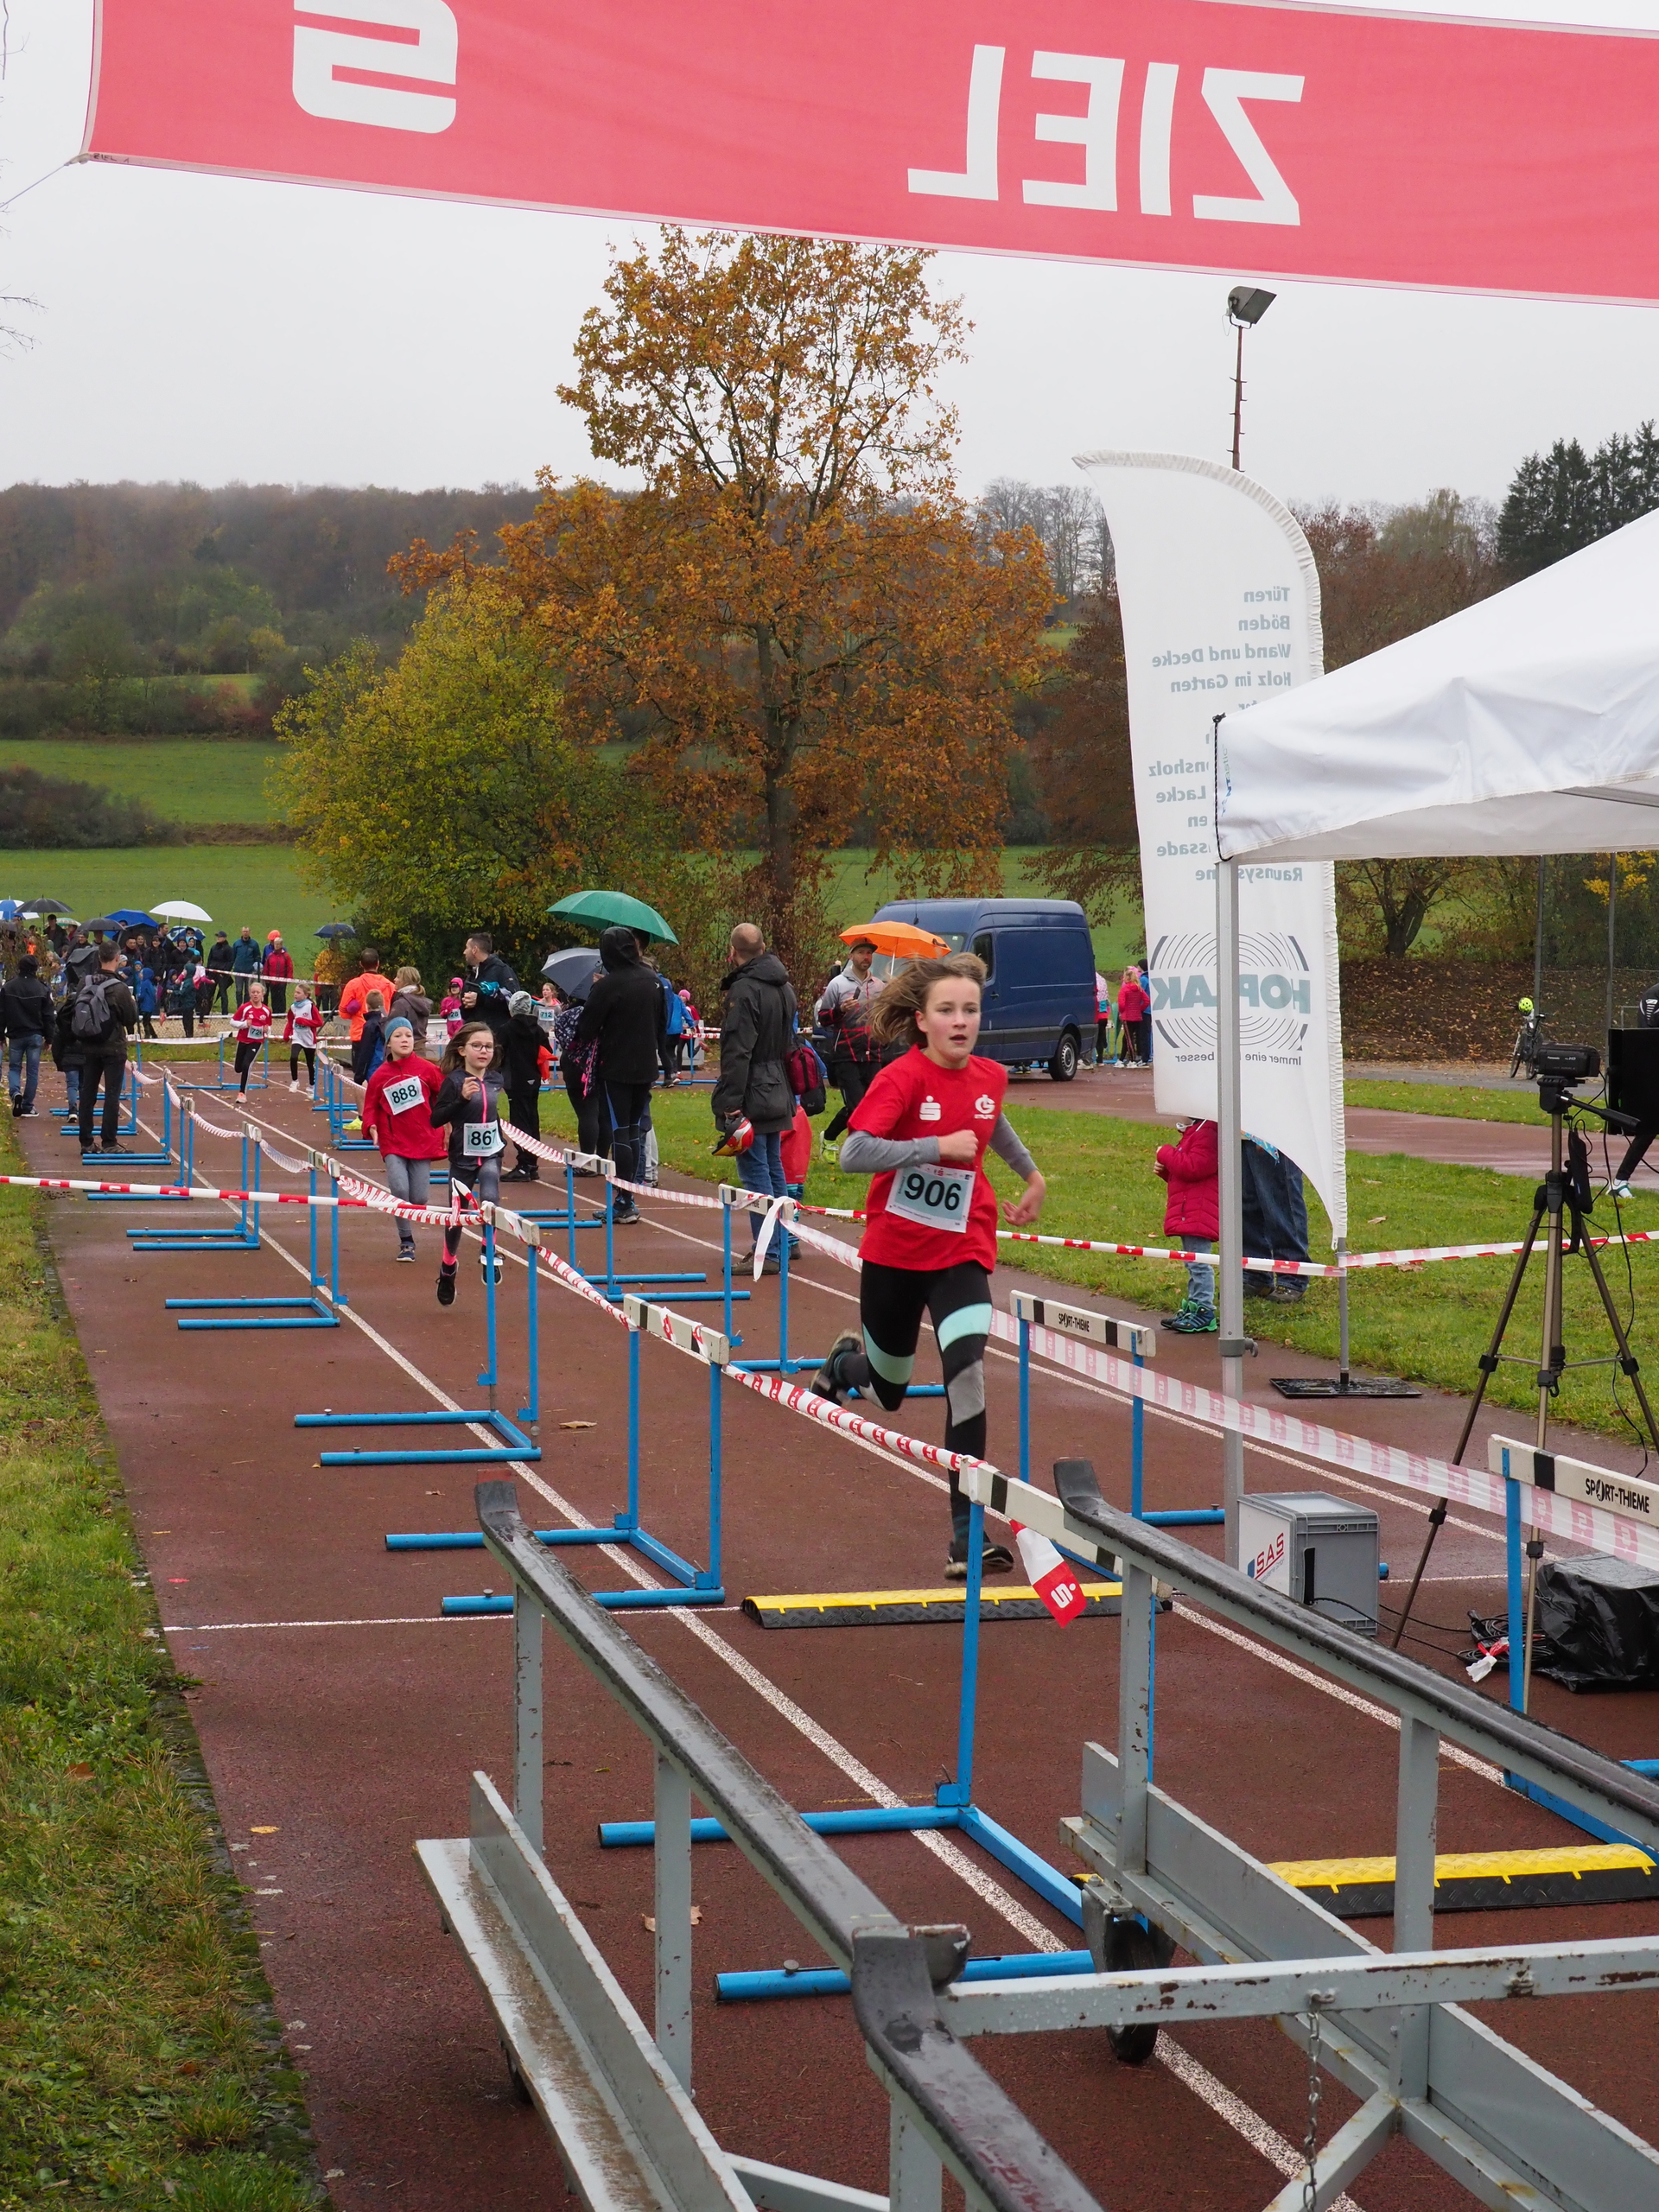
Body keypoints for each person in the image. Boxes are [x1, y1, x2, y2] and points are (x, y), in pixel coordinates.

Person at [810, 953, 1047, 1579]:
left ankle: (967, 1535)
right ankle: (843, 1364)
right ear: (922, 1020)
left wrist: (1030, 1175)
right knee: (887, 1392)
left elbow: (991, 1122)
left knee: (967, 1374)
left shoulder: (990, 1076)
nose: (961, 1021)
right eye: (947, 1010)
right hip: (895, 1253)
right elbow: (854, 1153)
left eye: (970, 1010)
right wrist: (932, 1147)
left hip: (961, 1248)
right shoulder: (902, 1079)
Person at [712, 923, 799, 1266]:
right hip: (779, 1084)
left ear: (732, 952)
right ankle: (784, 1240)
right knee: (773, 1166)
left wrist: (730, 1103)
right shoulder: (785, 987)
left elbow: (738, 1051)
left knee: (755, 1172)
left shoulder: (745, 990)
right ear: (763, 947)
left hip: (753, 1088)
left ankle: (770, 1249)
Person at [573, 928, 665, 1223]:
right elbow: (662, 1024)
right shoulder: (654, 980)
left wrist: (596, 996)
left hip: (616, 1067)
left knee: (620, 1131)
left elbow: (585, 1028)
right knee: (634, 1129)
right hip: (646, 1065)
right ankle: (628, 1196)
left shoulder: (608, 986)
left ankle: (625, 1200)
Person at [429, 1020, 507, 1305]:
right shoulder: (454, 1081)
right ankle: (448, 1266)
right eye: (477, 1046)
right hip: (462, 1159)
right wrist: (461, 1100)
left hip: (490, 1154)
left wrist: (498, 1135)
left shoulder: (496, 1080)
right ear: (462, 1050)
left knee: (490, 1197)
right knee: (457, 1217)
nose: (484, 1051)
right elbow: (436, 1119)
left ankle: (489, 1251)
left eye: (488, 1047)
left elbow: (490, 1113)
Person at [360, 1014, 447, 1262]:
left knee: (419, 1199)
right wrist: (371, 1127)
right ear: (389, 1042)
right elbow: (370, 1107)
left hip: (421, 1139)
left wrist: (449, 1120)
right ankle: (406, 1241)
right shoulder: (380, 1075)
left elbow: (446, 1096)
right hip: (392, 1141)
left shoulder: (427, 1070)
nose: (405, 1039)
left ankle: (409, 1227)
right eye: (398, 1036)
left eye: (408, 1035)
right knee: (399, 1189)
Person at [817, 938, 882, 1154]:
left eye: (869, 953)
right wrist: (840, 1010)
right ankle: (855, 1148)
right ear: (851, 956)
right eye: (861, 952)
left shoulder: (879, 986)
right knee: (857, 1107)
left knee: (873, 1105)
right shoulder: (837, 984)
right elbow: (822, 1019)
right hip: (846, 1054)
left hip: (872, 1054)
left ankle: (831, 1136)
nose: (866, 957)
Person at [73, 943, 138, 1154]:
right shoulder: (119, 988)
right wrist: (131, 1003)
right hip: (113, 1047)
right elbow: (130, 1019)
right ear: (117, 958)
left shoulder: (85, 982)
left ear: (99, 957)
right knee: (112, 1094)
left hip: (89, 1044)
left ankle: (86, 1142)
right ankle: (109, 1142)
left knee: (87, 1093)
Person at [1155, 1119, 1218, 1333]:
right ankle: (1194, 1305)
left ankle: (1205, 1310)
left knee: (1199, 1263)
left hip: (1198, 1211)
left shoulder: (1208, 1131)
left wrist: (1165, 1153)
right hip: (1189, 1209)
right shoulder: (1196, 1131)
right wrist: (1166, 1171)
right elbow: (1184, 1174)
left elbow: (1194, 1167)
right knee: (1192, 1263)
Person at [1243, 1138, 1310, 1306]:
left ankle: (1292, 1277)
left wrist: (1268, 1134)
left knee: (1281, 1202)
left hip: (1272, 1135)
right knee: (1246, 1203)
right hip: (1239, 1132)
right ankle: (1255, 1274)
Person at [550, 978, 611, 1162]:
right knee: (603, 1114)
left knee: (587, 1114)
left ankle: (587, 1160)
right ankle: (601, 1158)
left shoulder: (571, 1013)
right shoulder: (608, 1013)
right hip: (602, 1064)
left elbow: (563, 1037)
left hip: (576, 1066)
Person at [499, 991, 550, 1182]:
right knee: (532, 1119)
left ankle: (524, 1165)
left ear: (511, 1008)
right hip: (533, 1079)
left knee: (519, 1122)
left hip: (515, 1080)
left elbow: (498, 1053)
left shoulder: (506, 1030)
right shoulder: (537, 1029)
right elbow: (547, 1051)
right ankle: (532, 1163)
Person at [2, 954, 51, 1116]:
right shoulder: (42, 988)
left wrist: (1, 1035)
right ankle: (28, 1105)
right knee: (32, 1071)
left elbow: (1, 1013)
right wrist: (49, 1038)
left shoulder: (8, 987)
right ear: (35, 969)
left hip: (16, 1033)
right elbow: (48, 1016)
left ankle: (15, 1092)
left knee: (14, 1067)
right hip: (35, 1034)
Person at [461, 931, 518, 1046]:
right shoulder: (471, 974)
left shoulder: (501, 970)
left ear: (475, 950)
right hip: (474, 1038)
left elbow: (513, 999)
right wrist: (465, 1004)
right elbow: (466, 1010)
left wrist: (480, 999)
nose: (464, 952)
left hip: (496, 1040)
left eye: (467, 948)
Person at [339, 948, 397, 1052]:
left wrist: (354, 1012)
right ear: (378, 963)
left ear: (360, 964)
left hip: (360, 1034)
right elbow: (395, 1011)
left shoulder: (353, 985)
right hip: (383, 1033)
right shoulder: (390, 986)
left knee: (361, 1063)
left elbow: (343, 1014)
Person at [230, 979, 272, 1097]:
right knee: (238, 1068)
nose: (255, 994)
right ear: (249, 994)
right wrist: (244, 1024)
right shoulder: (245, 1008)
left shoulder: (266, 1011)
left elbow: (269, 1027)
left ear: (262, 994)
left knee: (246, 1065)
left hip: (256, 1041)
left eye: (258, 992)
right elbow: (232, 1021)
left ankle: (242, 1093)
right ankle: (242, 1076)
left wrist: (267, 1030)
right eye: (253, 992)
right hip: (243, 1040)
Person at [284, 990, 324, 1093]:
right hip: (297, 1037)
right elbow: (290, 1021)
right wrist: (287, 1033)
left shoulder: (311, 1007)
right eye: (295, 992)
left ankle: (311, 1086)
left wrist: (304, 1021)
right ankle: (295, 1081)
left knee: (310, 1064)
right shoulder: (293, 1007)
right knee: (293, 1057)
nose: (295, 994)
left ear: (305, 995)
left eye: (298, 993)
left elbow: (319, 1022)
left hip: (309, 1039)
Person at [389, 964, 432, 1047]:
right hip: (421, 1048)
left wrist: (383, 1020)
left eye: (398, 977)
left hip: (404, 1049)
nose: (395, 979)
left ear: (405, 981)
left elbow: (391, 1029)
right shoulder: (422, 1002)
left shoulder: (401, 1003)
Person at [353, 989, 387, 1087]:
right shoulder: (387, 1021)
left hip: (373, 1070)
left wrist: (359, 1076)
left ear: (367, 1006)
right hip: (386, 1067)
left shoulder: (370, 1026)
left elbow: (365, 1051)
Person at [1116, 964, 1148, 1066]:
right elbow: (1147, 1001)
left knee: (1128, 1039)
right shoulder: (1139, 989)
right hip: (1137, 1016)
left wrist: (1122, 1012)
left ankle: (1132, 1060)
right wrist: (1140, 1009)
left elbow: (1121, 1004)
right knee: (1130, 1038)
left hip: (1127, 1016)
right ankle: (1122, 1059)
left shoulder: (1125, 989)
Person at [262, 931, 295, 1014]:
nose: (276, 946)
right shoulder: (270, 956)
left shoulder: (286, 956)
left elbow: (289, 967)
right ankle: (275, 1012)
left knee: (281, 996)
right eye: (275, 944)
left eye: (278, 944)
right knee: (274, 996)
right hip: (272, 980)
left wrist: (289, 977)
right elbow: (266, 967)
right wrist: (266, 977)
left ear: (281, 945)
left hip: (282, 980)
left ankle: (282, 1012)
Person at [207, 930, 235, 1017]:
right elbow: (209, 959)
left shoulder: (228, 949)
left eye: (220, 937)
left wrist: (225, 971)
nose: (218, 938)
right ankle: (206, 1011)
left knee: (223, 993)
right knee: (210, 992)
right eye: (218, 936)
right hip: (213, 973)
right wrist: (208, 971)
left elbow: (230, 962)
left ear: (224, 938)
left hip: (222, 974)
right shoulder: (213, 948)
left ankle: (224, 1012)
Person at [134, 957, 159, 1041]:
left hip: (146, 1005)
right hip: (150, 1005)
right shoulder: (149, 983)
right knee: (147, 1021)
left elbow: (142, 995)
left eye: (142, 973)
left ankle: (148, 1035)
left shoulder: (144, 983)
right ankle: (154, 1035)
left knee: (146, 1021)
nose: (140, 975)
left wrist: (137, 998)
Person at [1094, 970, 1113, 1063]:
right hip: (1104, 1016)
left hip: (1097, 1017)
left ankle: (1097, 1058)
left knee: (1097, 1039)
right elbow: (1108, 1005)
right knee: (1101, 1037)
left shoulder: (1095, 998)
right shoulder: (1104, 996)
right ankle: (1100, 1057)